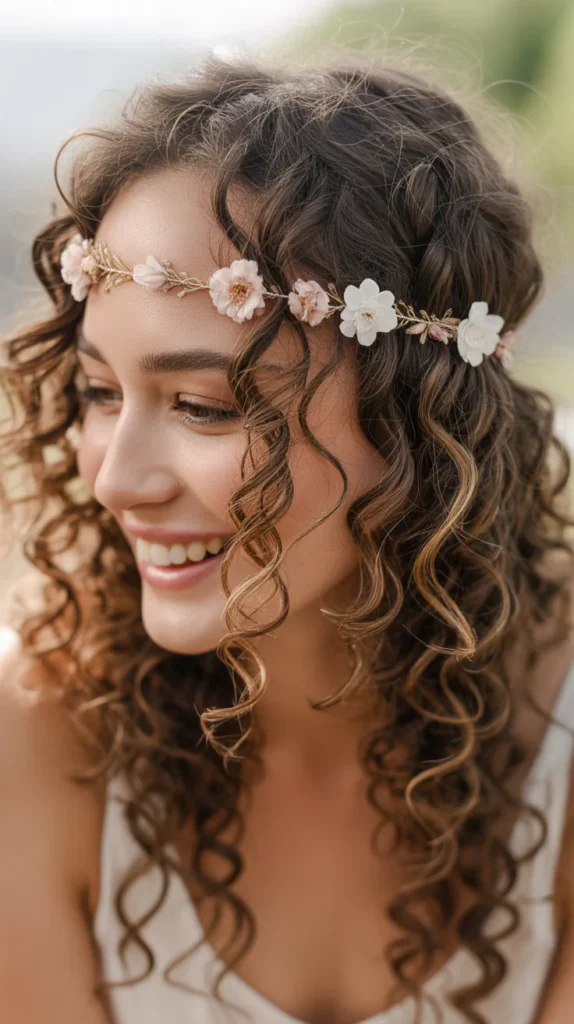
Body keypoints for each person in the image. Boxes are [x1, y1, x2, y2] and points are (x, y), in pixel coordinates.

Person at [0, 51, 573, 1024]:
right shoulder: (34, 742)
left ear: (420, 416)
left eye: (204, 406)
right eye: (99, 392)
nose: (115, 476)